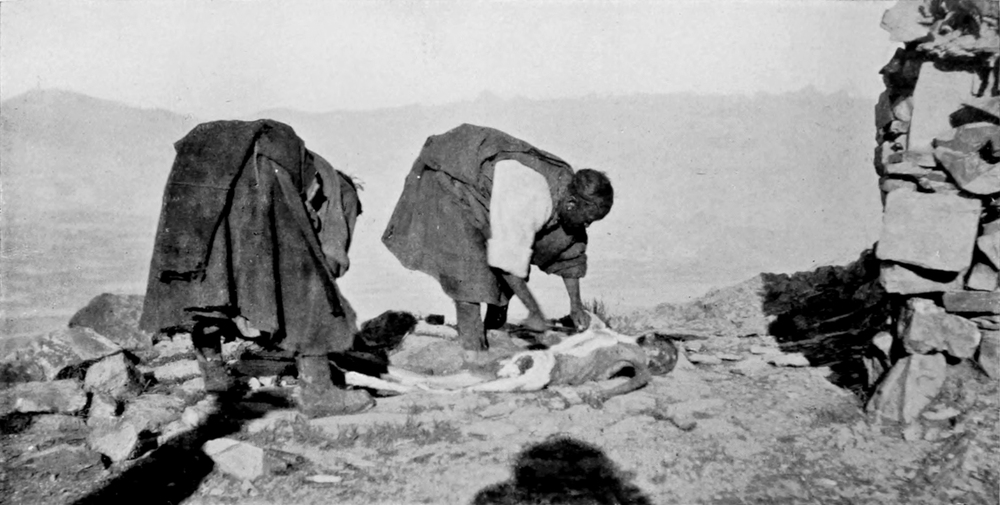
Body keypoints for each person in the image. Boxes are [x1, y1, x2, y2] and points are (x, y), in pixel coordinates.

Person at [139, 119, 373, 417]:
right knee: (313, 286)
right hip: (262, 174)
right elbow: (330, 258)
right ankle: (319, 393)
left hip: (203, 175)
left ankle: (216, 382)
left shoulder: (298, 168)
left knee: (210, 279)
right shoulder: (342, 190)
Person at [382, 123, 614, 355]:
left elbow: (569, 251)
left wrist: (576, 306)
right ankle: (473, 351)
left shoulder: (569, 190)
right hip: (454, 183)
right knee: (469, 279)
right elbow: (507, 262)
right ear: (572, 203)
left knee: (510, 276)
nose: (587, 226)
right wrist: (534, 310)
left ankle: (494, 332)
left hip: (495, 197)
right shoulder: (532, 196)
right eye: (588, 220)